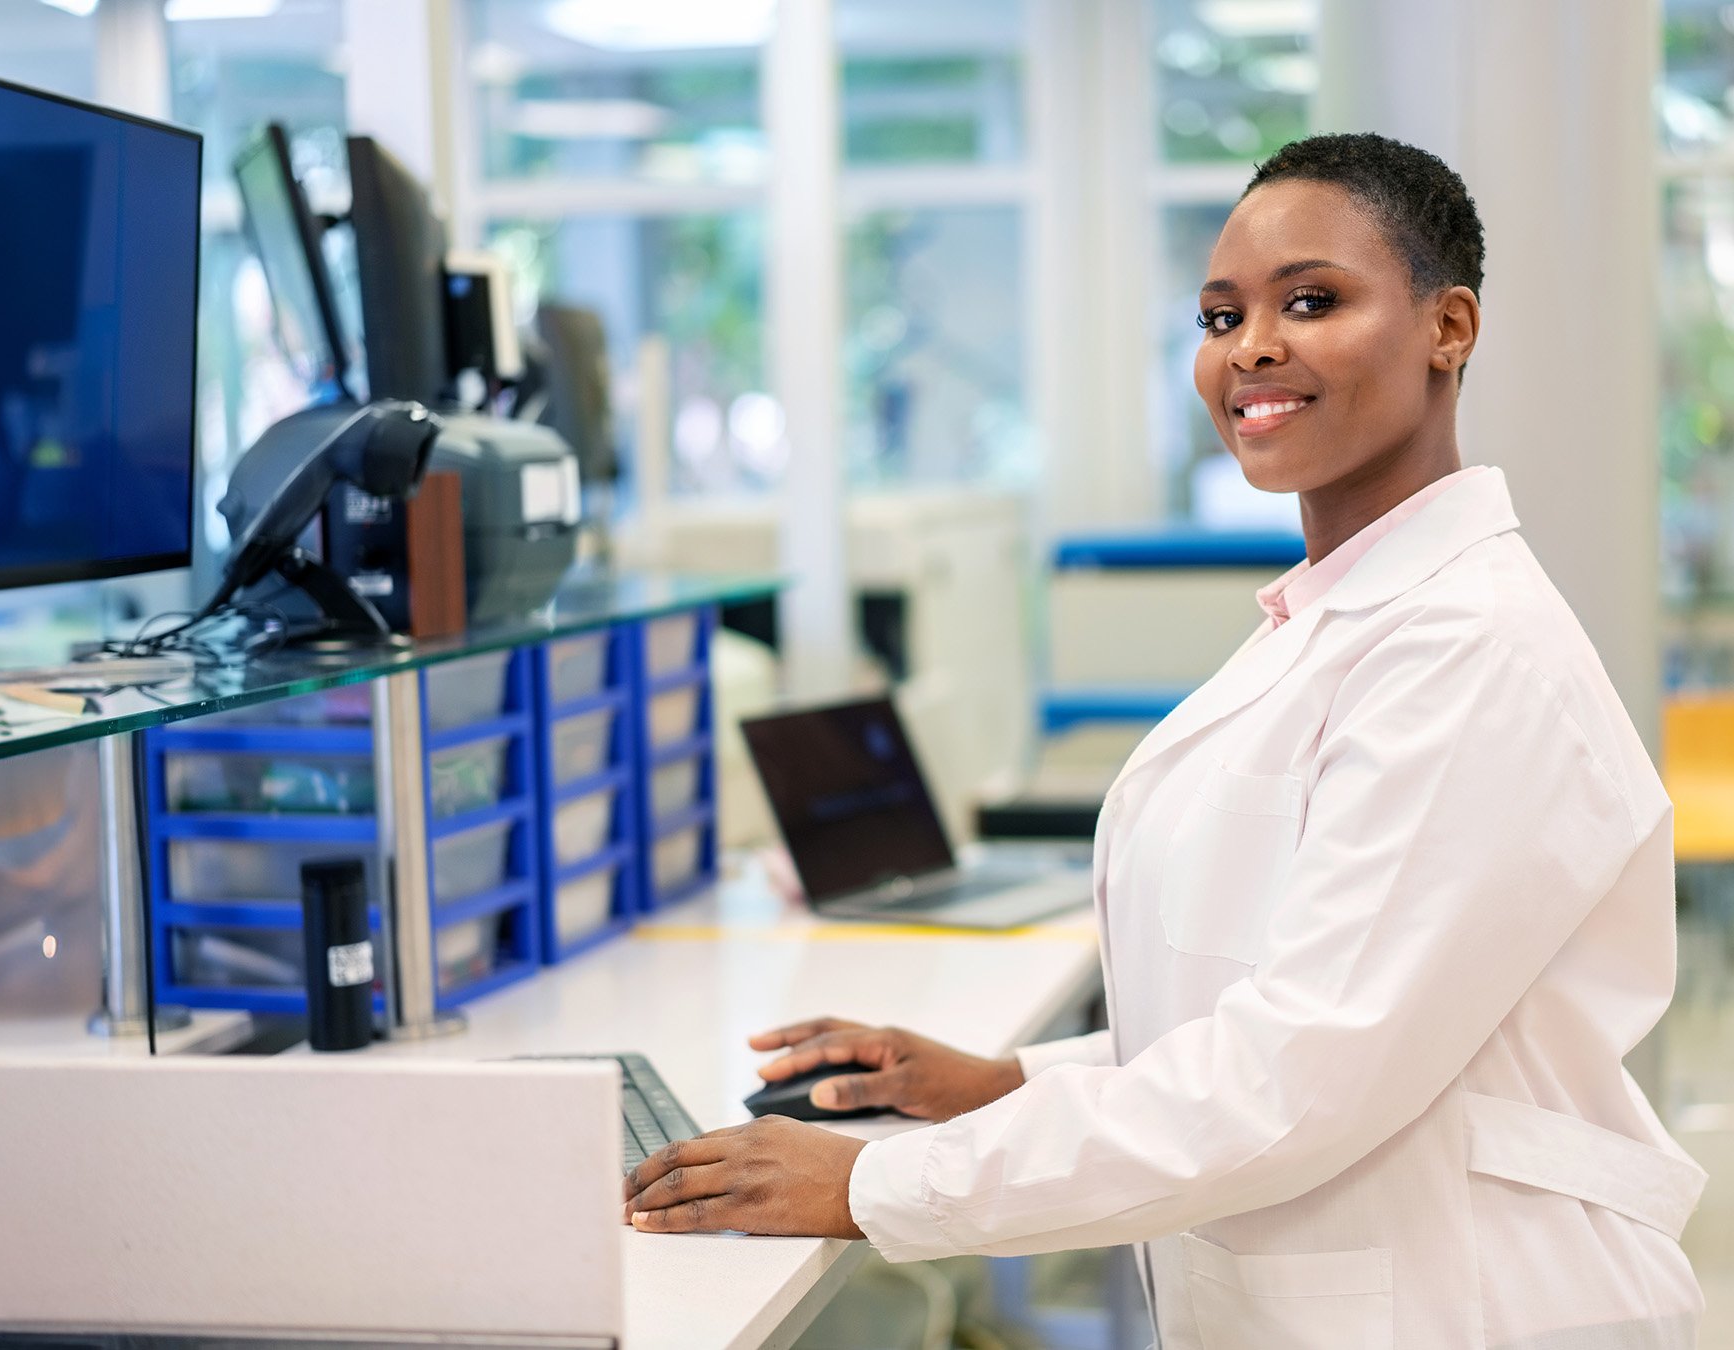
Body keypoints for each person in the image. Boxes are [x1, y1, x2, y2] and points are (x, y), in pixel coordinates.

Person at [624, 133, 1707, 1348]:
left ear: (1448, 326)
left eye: (1314, 301)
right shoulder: (1340, 619)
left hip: (1480, 1308)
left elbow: (1296, 1073)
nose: (1251, 348)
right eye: (1218, 314)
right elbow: (1266, 998)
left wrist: (869, 1188)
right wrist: (1006, 1085)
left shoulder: (1467, 649)